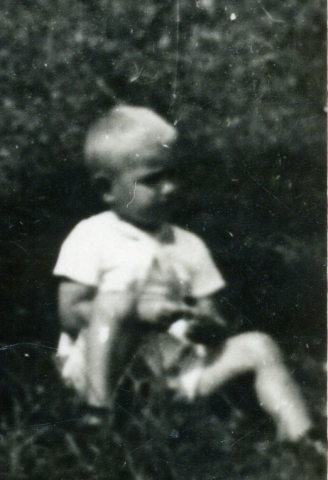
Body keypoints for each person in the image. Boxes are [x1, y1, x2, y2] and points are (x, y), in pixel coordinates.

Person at [53, 104, 314, 441]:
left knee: (258, 346)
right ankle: (97, 415)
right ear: (107, 189)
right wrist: (140, 312)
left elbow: (211, 311)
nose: (170, 188)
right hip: (103, 369)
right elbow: (71, 313)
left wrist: (206, 324)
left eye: (173, 174)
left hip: (173, 373)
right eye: (152, 180)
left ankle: (300, 437)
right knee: (114, 300)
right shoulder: (93, 235)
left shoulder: (188, 244)